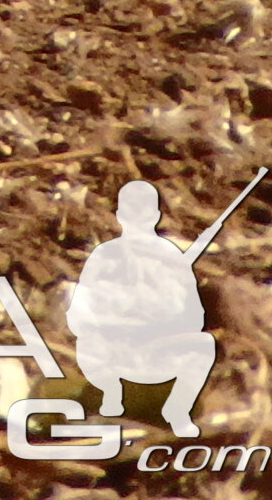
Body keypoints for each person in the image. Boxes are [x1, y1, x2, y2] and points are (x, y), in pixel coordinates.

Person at [64, 181, 215, 436]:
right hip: (113, 349)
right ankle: (108, 404)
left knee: (204, 345)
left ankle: (176, 410)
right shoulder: (105, 255)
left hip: (155, 349)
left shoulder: (171, 257)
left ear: (156, 216)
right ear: (121, 216)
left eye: (144, 212)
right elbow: (81, 311)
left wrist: (165, 317)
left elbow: (194, 315)